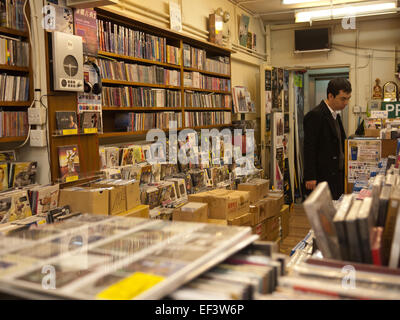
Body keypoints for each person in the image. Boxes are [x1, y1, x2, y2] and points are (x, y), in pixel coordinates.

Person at [303, 78, 352, 200]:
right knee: (322, 216)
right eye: (343, 99)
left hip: (337, 176)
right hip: (322, 177)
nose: (346, 103)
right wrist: (310, 176)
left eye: (348, 98)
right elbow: (309, 147)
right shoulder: (315, 115)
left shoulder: (336, 115)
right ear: (330, 96)